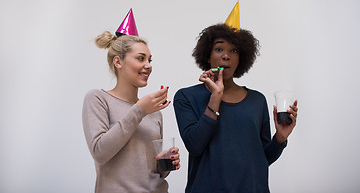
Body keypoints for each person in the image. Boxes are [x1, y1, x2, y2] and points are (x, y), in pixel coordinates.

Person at [173, 23, 298, 193]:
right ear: (207, 56)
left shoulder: (257, 100)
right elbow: (194, 145)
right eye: (219, 49)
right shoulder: (186, 97)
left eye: (234, 51)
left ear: (242, 58)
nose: (226, 56)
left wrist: (280, 139)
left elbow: (261, 159)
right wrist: (215, 97)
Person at [82, 28, 180, 193]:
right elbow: (100, 152)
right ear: (118, 62)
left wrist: (166, 161)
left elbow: (155, 172)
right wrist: (140, 109)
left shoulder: (154, 111)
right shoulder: (98, 99)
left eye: (150, 60)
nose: (148, 66)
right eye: (141, 59)